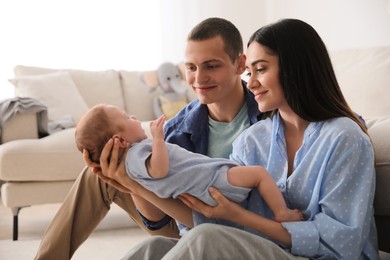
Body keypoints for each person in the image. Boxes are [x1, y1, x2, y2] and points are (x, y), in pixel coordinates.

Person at [117, 19, 379, 259]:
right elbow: (211, 213)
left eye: (261, 70)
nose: (251, 83)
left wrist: (239, 216)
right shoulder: (251, 140)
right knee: (152, 248)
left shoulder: (344, 137)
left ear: (294, 69)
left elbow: (342, 243)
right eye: (249, 73)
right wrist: (133, 184)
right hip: (266, 250)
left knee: (206, 238)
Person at [34, 17, 262, 260]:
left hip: (242, 222)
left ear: (240, 64)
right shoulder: (177, 130)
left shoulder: (268, 114)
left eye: (211, 66)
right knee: (99, 173)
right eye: (191, 67)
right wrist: (129, 182)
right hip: (187, 219)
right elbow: (160, 222)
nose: (198, 78)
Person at [75, 104, 302, 225]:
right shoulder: (140, 153)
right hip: (210, 188)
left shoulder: (264, 111)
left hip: (209, 196)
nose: (134, 117)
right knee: (259, 174)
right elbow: (159, 173)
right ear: (121, 140)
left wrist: (127, 180)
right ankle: (282, 212)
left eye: (211, 66)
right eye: (126, 117)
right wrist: (156, 140)